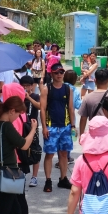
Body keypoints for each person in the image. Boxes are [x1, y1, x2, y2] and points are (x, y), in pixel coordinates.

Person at [40, 62, 76, 192]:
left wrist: (73, 126)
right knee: (49, 154)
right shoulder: (46, 89)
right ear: (52, 74)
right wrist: (44, 127)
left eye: (61, 72)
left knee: (64, 154)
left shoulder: (68, 89)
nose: (59, 75)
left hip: (65, 127)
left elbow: (71, 108)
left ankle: (63, 179)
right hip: (51, 127)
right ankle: (48, 180)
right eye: (57, 72)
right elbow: (42, 109)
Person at [77, 67, 108, 135]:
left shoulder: (88, 98)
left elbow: (83, 118)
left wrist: (81, 135)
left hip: (94, 135)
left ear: (95, 80)